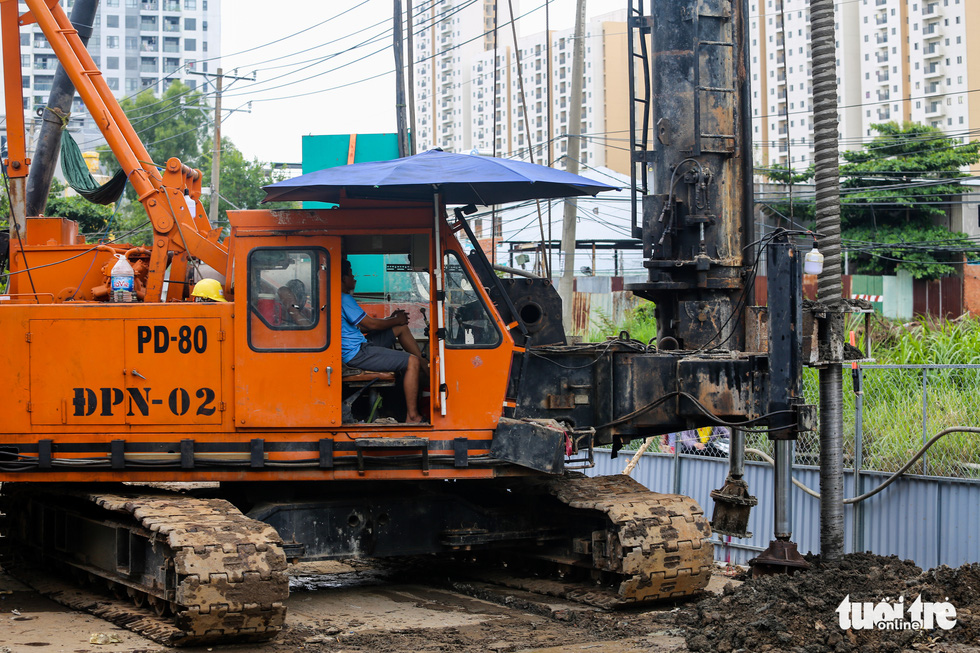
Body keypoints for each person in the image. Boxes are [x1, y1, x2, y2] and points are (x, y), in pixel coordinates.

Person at [341, 258, 428, 423]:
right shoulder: (344, 299)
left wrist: (392, 320)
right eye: (351, 275)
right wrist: (396, 319)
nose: (355, 278)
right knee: (411, 362)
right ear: (343, 279)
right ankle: (412, 416)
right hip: (356, 353)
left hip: (361, 345)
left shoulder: (340, 299)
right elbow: (371, 323)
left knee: (400, 328)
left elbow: (365, 327)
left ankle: (425, 365)